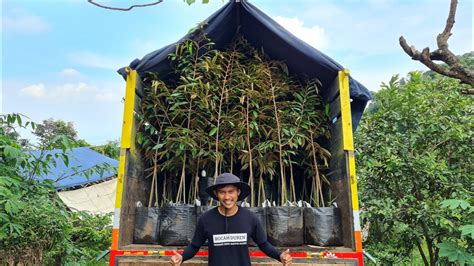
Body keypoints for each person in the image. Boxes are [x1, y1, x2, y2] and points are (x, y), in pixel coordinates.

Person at [170, 172, 292, 266]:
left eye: (231, 192)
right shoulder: (206, 219)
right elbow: (194, 246)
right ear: (216, 194)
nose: (227, 197)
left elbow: (263, 244)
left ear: (238, 192)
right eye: (222, 192)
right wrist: (181, 257)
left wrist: (279, 256)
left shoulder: (250, 218)